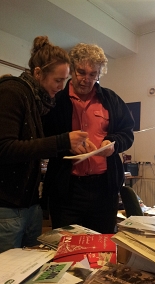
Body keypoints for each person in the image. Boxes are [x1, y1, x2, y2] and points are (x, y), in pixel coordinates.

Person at [0, 36, 95, 253]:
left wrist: (66, 146)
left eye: (64, 80)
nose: (61, 88)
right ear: (38, 73)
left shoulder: (37, 101)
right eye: (57, 80)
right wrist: (62, 141)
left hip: (30, 206)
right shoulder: (11, 92)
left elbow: (33, 146)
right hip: (7, 209)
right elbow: (4, 149)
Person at [42, 43, 134, 233]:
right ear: (71, 70)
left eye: (93, 74)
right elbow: (43, 138)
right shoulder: (55, 100)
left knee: (103, 247)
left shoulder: (110, 99)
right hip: (67, 190)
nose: (87, 79)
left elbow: (127, 133)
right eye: (81, 72)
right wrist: (66, 144)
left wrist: (112, 144)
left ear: (99, 74)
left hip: (104, 189)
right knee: (67, 246)